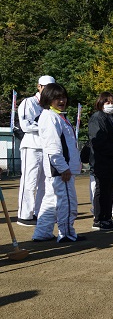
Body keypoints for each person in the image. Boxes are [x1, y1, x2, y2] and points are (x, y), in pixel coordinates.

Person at [31, 83, 83, 243]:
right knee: (66, 202)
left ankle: (42, 232)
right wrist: (63, 168)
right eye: (57, 98)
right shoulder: (50, 117)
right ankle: (66, 233)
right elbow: (52, 146)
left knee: (50, 202)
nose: (62, 101)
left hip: (59, 169)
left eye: (63, 97)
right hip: (60, 170)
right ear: (48, 99)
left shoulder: (58, 116)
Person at [16, 75, 55, 226]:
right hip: (31, 145)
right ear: (38, 86)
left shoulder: (51, 105)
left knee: (44, 183)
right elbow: (25, 125)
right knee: (29, 181)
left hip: (45, 147)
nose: (47, 90)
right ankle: (25, 215)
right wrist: (46, 127)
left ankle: (39, 212)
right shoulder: (28, 102)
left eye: (50, 87)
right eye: (45, 87)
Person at [88, 92, 113, 230]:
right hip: (102, 161)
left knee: (110, 190)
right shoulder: (97, 118)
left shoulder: (111, 118)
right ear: (101, 103)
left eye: (112, 102)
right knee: (102, 190)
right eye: (107, 102)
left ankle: (107, 217)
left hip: (112, 162)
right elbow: (99, 141)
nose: (110, 105)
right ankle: (99, 219)